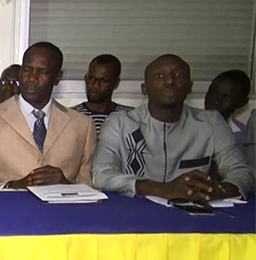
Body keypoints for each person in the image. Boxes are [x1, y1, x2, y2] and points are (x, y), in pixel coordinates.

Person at [92, 54, 253, 200]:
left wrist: (220, 190)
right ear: (144, 88)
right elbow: (101, 174)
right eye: (159, 76)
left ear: (190, 86)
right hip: (135, 213)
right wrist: (160, 189)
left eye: (179, 75)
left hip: (194, 213)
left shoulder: (212, 123)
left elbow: (242, 172)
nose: (170, 81)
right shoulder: (120, 123)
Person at [0, 42, 96, 189]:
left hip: (61, 204)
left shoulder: (82, 126)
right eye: (27, 70)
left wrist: (65, 184)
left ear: (57, 77)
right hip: (9, 204)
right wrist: (13, 186)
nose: (32, 78)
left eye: (42, 72)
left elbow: (87, 188)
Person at [71, 54, 133, 135]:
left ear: (116, 83)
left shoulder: (130, 117)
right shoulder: (70, 117)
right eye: (91, 78)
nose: (95, 85)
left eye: (103, 81)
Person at [204, 69, 250, 152]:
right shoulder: (187, 126)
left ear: (242, 103)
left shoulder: (245, 138)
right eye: (213, 94)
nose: (216, 101)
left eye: (226, 98)